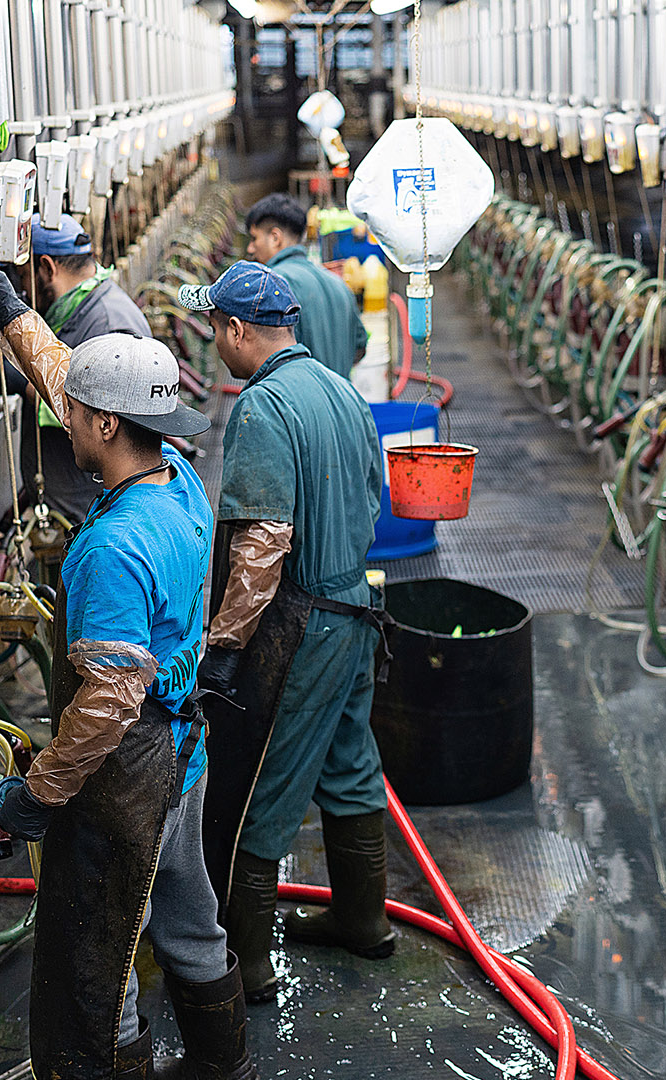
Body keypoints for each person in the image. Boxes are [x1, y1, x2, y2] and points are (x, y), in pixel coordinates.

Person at [0, 251, 254, 1080]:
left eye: (79, 416)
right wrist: (14, 314)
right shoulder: (178, 484)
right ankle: (222, 1063)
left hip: (122, 773)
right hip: (183, 756)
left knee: (95, 961)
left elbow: (106, 704)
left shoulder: (110, 550)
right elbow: (79, 394)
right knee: (189, 919)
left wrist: (37, 793)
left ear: (100, 428)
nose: (69, 420)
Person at [177, 261, 391, 1004]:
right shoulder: (341, 390)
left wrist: (226, 647)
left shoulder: (263, 408)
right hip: (359, 608)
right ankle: (364, 920)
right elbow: (373, 497)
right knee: (349, 762)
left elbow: (263, 542)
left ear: (236, 330)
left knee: (262, 789)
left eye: (214, 329)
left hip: (303, 624)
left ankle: (248, 964)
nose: (213, 344)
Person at [19, 216, 155, 523]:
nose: (24, 291)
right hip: (76, 502)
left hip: (90, 506)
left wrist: (26, 381)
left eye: (22, 275)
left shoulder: (107, 323)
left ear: (46, 268)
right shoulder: (82, 308)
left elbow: (95, 410)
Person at [241, 193, 368, 377]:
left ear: (275, 237)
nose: (250, 249)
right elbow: (360, 348)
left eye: (254, 239)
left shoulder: (271, 285)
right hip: (342, 402)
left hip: (294, 405)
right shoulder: (338, 284)